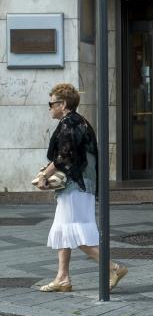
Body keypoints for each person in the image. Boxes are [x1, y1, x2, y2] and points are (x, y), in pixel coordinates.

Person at [36, 83, 128, 293]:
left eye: (51, 103)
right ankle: (63, 278)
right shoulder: (80, 122)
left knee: (75, 232)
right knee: (63, 229)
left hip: (76, 184)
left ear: (64, 104)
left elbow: (64, 156)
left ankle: (114, 268)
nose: (49, 107)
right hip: (82, 183)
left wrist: (44, 176)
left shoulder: (69, 123)